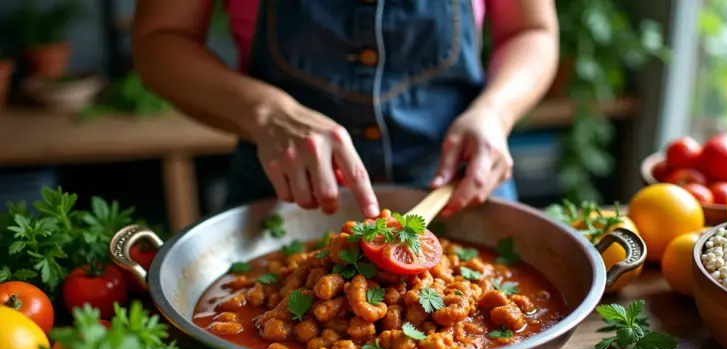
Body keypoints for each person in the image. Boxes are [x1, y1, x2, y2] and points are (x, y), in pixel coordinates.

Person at [132, 0, 558, 219]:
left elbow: (531, 30)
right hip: (283, 202)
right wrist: (265, 112)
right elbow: (161, 40)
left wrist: (495, 112)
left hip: (463, 192)